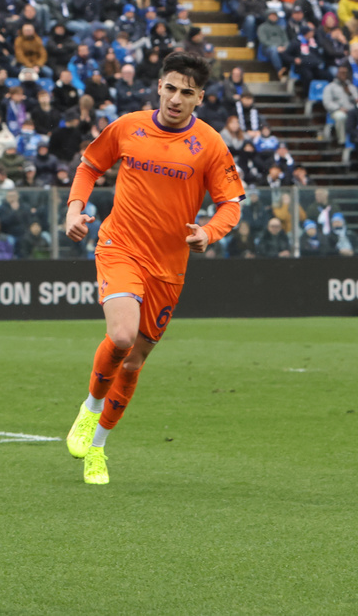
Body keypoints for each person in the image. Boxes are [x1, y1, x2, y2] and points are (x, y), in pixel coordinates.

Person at [63, 52, 245, 485]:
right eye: (170, 88)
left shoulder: (211, 145)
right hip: (120, 245)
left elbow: (231, 204)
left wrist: (209, 234)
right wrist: (74, 210)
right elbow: (90, 166)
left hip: (169, 265)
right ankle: (89, 412)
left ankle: (98, 449)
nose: (176, 98)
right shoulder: (129, 126)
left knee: (133, 362)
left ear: (200, 97)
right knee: (122, 336)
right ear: (159, 87)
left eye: (186, 92)